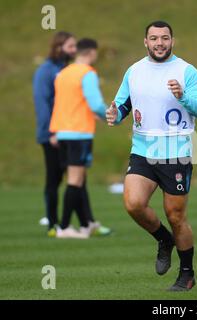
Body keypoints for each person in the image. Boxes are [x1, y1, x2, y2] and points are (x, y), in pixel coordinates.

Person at [106, 21, 197, 291]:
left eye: (164, 38)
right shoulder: (134, 71)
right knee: (133, 204)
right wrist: (114, 114)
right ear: (146, 42)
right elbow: (122, 104)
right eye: (154, 38)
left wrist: (183, 96)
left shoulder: (187, 71)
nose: (159, 43)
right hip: (142, 150)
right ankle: (164, 240)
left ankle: (187, 274)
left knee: (176, 216)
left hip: (176, 152)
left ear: (172, 41)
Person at [49, 38, 110, 238]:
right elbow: (95, 103)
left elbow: (64, 103)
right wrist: (107, 115)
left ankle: (86, 223)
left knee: (78, 179)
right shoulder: (87, 73)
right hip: (79, 132)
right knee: (75, 181)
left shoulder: (63, 73)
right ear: (92, 52)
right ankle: (64, 227)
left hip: (63, 132)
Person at [33, 32, 76, 235]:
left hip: (70, 133)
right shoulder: (46, 71)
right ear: (59, 47)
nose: (74, 50)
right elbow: (43, 105)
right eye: (70, 46)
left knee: (77, 179)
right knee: (54, 179)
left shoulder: (66, 69)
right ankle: (52, 224)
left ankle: (85, 223)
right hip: (53, 135)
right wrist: (52, 132)